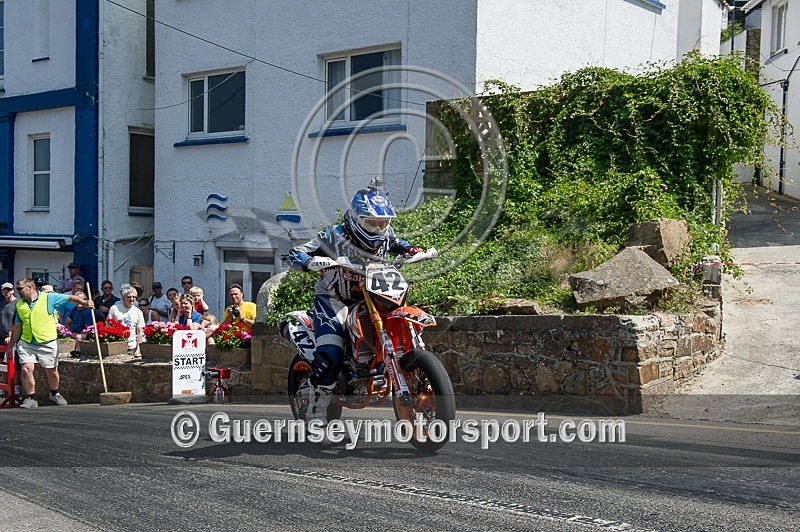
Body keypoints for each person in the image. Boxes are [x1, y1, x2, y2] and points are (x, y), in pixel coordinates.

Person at [287, 177, 422, 422]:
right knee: (331, 352)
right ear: (358, 220)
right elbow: (298, 251)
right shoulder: (333, 236)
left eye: (383, 223)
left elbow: (398, 244)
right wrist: (307, 261)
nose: (378, 228)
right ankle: (316, 413)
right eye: (372, 223)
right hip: (334, 298)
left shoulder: (385, 235)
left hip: (371, 294)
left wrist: (413, 251)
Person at [7, 277, 96, 408]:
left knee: (52, 371)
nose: (17, 292)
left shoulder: (49, 298)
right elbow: (17, 326)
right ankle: (31, 398)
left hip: (47, 341)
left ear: (30, 287)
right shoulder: (20, 305)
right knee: (26, 369)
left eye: (20, 289)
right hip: (27, 341)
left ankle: (54, 393)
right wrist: (11, 345)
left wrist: (84, 302)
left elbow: (70, 298)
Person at [108, 286, 145, 358]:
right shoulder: (114, 309)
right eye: (129, 297)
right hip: (116, 345)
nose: (132, 299)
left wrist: (138, 349)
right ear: (123, 297)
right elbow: (108, 325)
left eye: (134, 297)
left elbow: (140, 331)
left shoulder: (138, 312)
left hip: (131, 346)